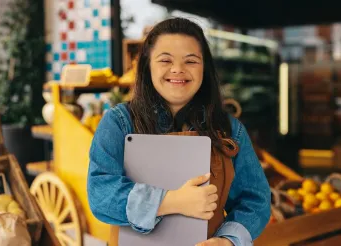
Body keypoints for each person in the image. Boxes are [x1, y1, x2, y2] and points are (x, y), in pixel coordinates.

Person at [87, 18, 271, 246]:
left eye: (191, 61)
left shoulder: (230, 129)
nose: (177, 70)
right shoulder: (119, 123)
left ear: (205, 67)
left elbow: (255, 200)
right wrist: (172, 201)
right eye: (165, 60)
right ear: (147, 65)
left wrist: (227, 240)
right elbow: (100, 194)